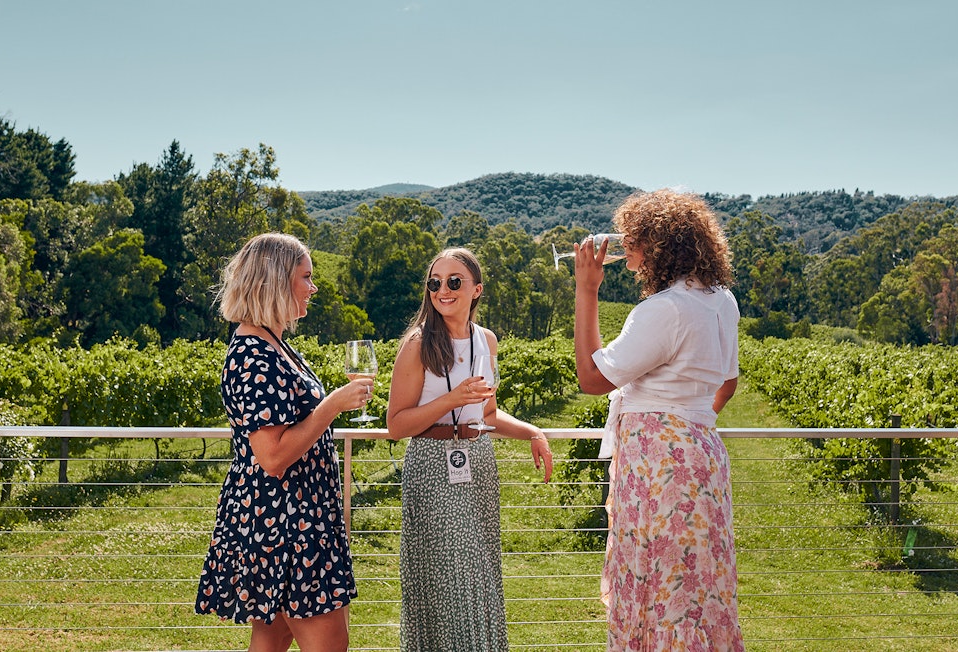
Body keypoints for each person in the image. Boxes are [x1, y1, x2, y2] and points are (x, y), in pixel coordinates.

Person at [572, 189, 745, 651]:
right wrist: (687, 424)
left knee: (658, 582)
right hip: (702, 457)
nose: (625, 244)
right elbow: (727, 384)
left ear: (660, 245)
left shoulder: (663, 309)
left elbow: (591, 378)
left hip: (658, 469)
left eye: (636, 236)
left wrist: (586, 290)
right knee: (696, 587)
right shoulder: (722, 300)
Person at [196, 233, 371, 652]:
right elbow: (272, 456)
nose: (313, 287)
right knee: (330, 644)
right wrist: (331, 406)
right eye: (306, 277)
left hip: (292, 517)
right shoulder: (252, 354)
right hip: (288, 524)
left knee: (271, 640)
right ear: (275, 280)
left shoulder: (272, 343)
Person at [386, 247, 554, 652]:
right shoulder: (417, 344)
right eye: (436, 282)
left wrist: (533, 431)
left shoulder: (487, 341)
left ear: (476, 289)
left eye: (454, 281)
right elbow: (396, 425)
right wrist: (451, 399)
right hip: (430, 464)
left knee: (479, 573)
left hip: (477, 463)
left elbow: (489, 414)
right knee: (447, 577)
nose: (443, 289)